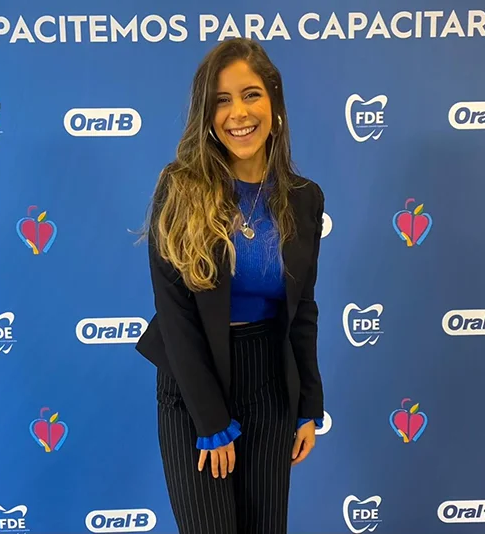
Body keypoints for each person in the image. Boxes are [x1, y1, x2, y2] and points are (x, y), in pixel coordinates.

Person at [134, 37, 325, 534]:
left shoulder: (304, 199)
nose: (238, 113)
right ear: (206, 114)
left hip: (270, 383)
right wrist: (211, 420)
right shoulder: (179, 188)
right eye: (222, 100)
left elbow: (303, 310)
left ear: (275, 103)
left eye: (251, 94)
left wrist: (308, 405)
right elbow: (174, 314)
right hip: (194, 382)